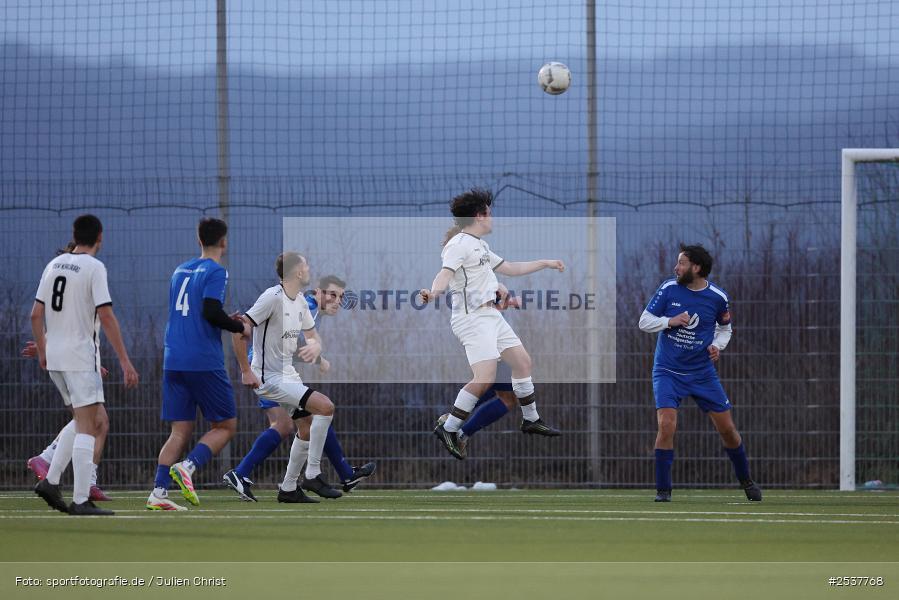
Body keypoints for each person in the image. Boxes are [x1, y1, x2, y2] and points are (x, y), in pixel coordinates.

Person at [421, 188, 562, 460]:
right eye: (489, 212)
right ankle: (449, 428)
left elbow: (510, 267)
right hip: (472, 319)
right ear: (479, 215)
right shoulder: (459, 244)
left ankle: (530, 419)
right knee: (484, 379)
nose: (492, 217)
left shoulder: (480, 245)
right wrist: (433, 292)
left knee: (523, 363)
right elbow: (445, 273)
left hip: (490, 316)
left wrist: (545, 263)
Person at [223, 273, 375, 502]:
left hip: (274, 371)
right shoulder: (307, 306)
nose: (337, 301)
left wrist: (315, 354)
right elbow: (291, 344)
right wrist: (318, 359)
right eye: (332, 295)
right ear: (318, 292)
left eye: (341, 297)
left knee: (308, 420)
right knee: (292, 422)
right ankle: (243, 474)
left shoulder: (307, 307)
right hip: (268, 372)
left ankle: (302, 483)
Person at [30, 214, 139, 515]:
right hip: (80, 357)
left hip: (56, 358)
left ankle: (51, 481)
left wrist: (42, 349)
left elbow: (35, 315)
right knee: (89, 425)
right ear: (99, 237)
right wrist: (124, 360)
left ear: (75, 235)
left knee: (84, 420)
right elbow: (106, 315)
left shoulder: (54, 265)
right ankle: (80, 499)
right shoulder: (93, 267)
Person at [638, 244, 762, 502]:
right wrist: (668, 321)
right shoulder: (669, 288)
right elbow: (644, 321)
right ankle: (663, 491)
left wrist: (717, 345)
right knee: (666, 424)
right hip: (667, 371)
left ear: (696, 268)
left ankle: (747, 481)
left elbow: (725, 329)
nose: (676, 268)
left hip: (702, 373)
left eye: (681, 263)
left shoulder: (718, 297)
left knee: (727, 429)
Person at [146, 217, 249, 511]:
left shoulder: (180, 270)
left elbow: (192, 310)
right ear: (224, 242)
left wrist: (227, 318)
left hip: (173, 358)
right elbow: (210, 311)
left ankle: (158, 492)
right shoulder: (217, 271)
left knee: (180, 430)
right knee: (226, 425)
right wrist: (238, 327)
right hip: (201, 359)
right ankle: (188, 467)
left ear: (199, 240)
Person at [230, 252, 342, 502]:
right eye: (306, 265)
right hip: (268, 377)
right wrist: (246, 371)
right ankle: (312, 474)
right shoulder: (271, 298)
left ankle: (289, 488)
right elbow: (238, 331)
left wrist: (316, 347)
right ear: (297, 272)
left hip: (287, 375)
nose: (309, 268)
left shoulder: (301, 301)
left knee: (305, 426)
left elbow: (313, 336)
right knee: (326, 407)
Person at [22, 340, 111, 501]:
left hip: (72, 360)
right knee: (94, 420)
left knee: (96, 422)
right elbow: (62, 325)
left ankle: (49, 462)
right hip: (70, 361)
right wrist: (45, 346)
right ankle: (84, 484)